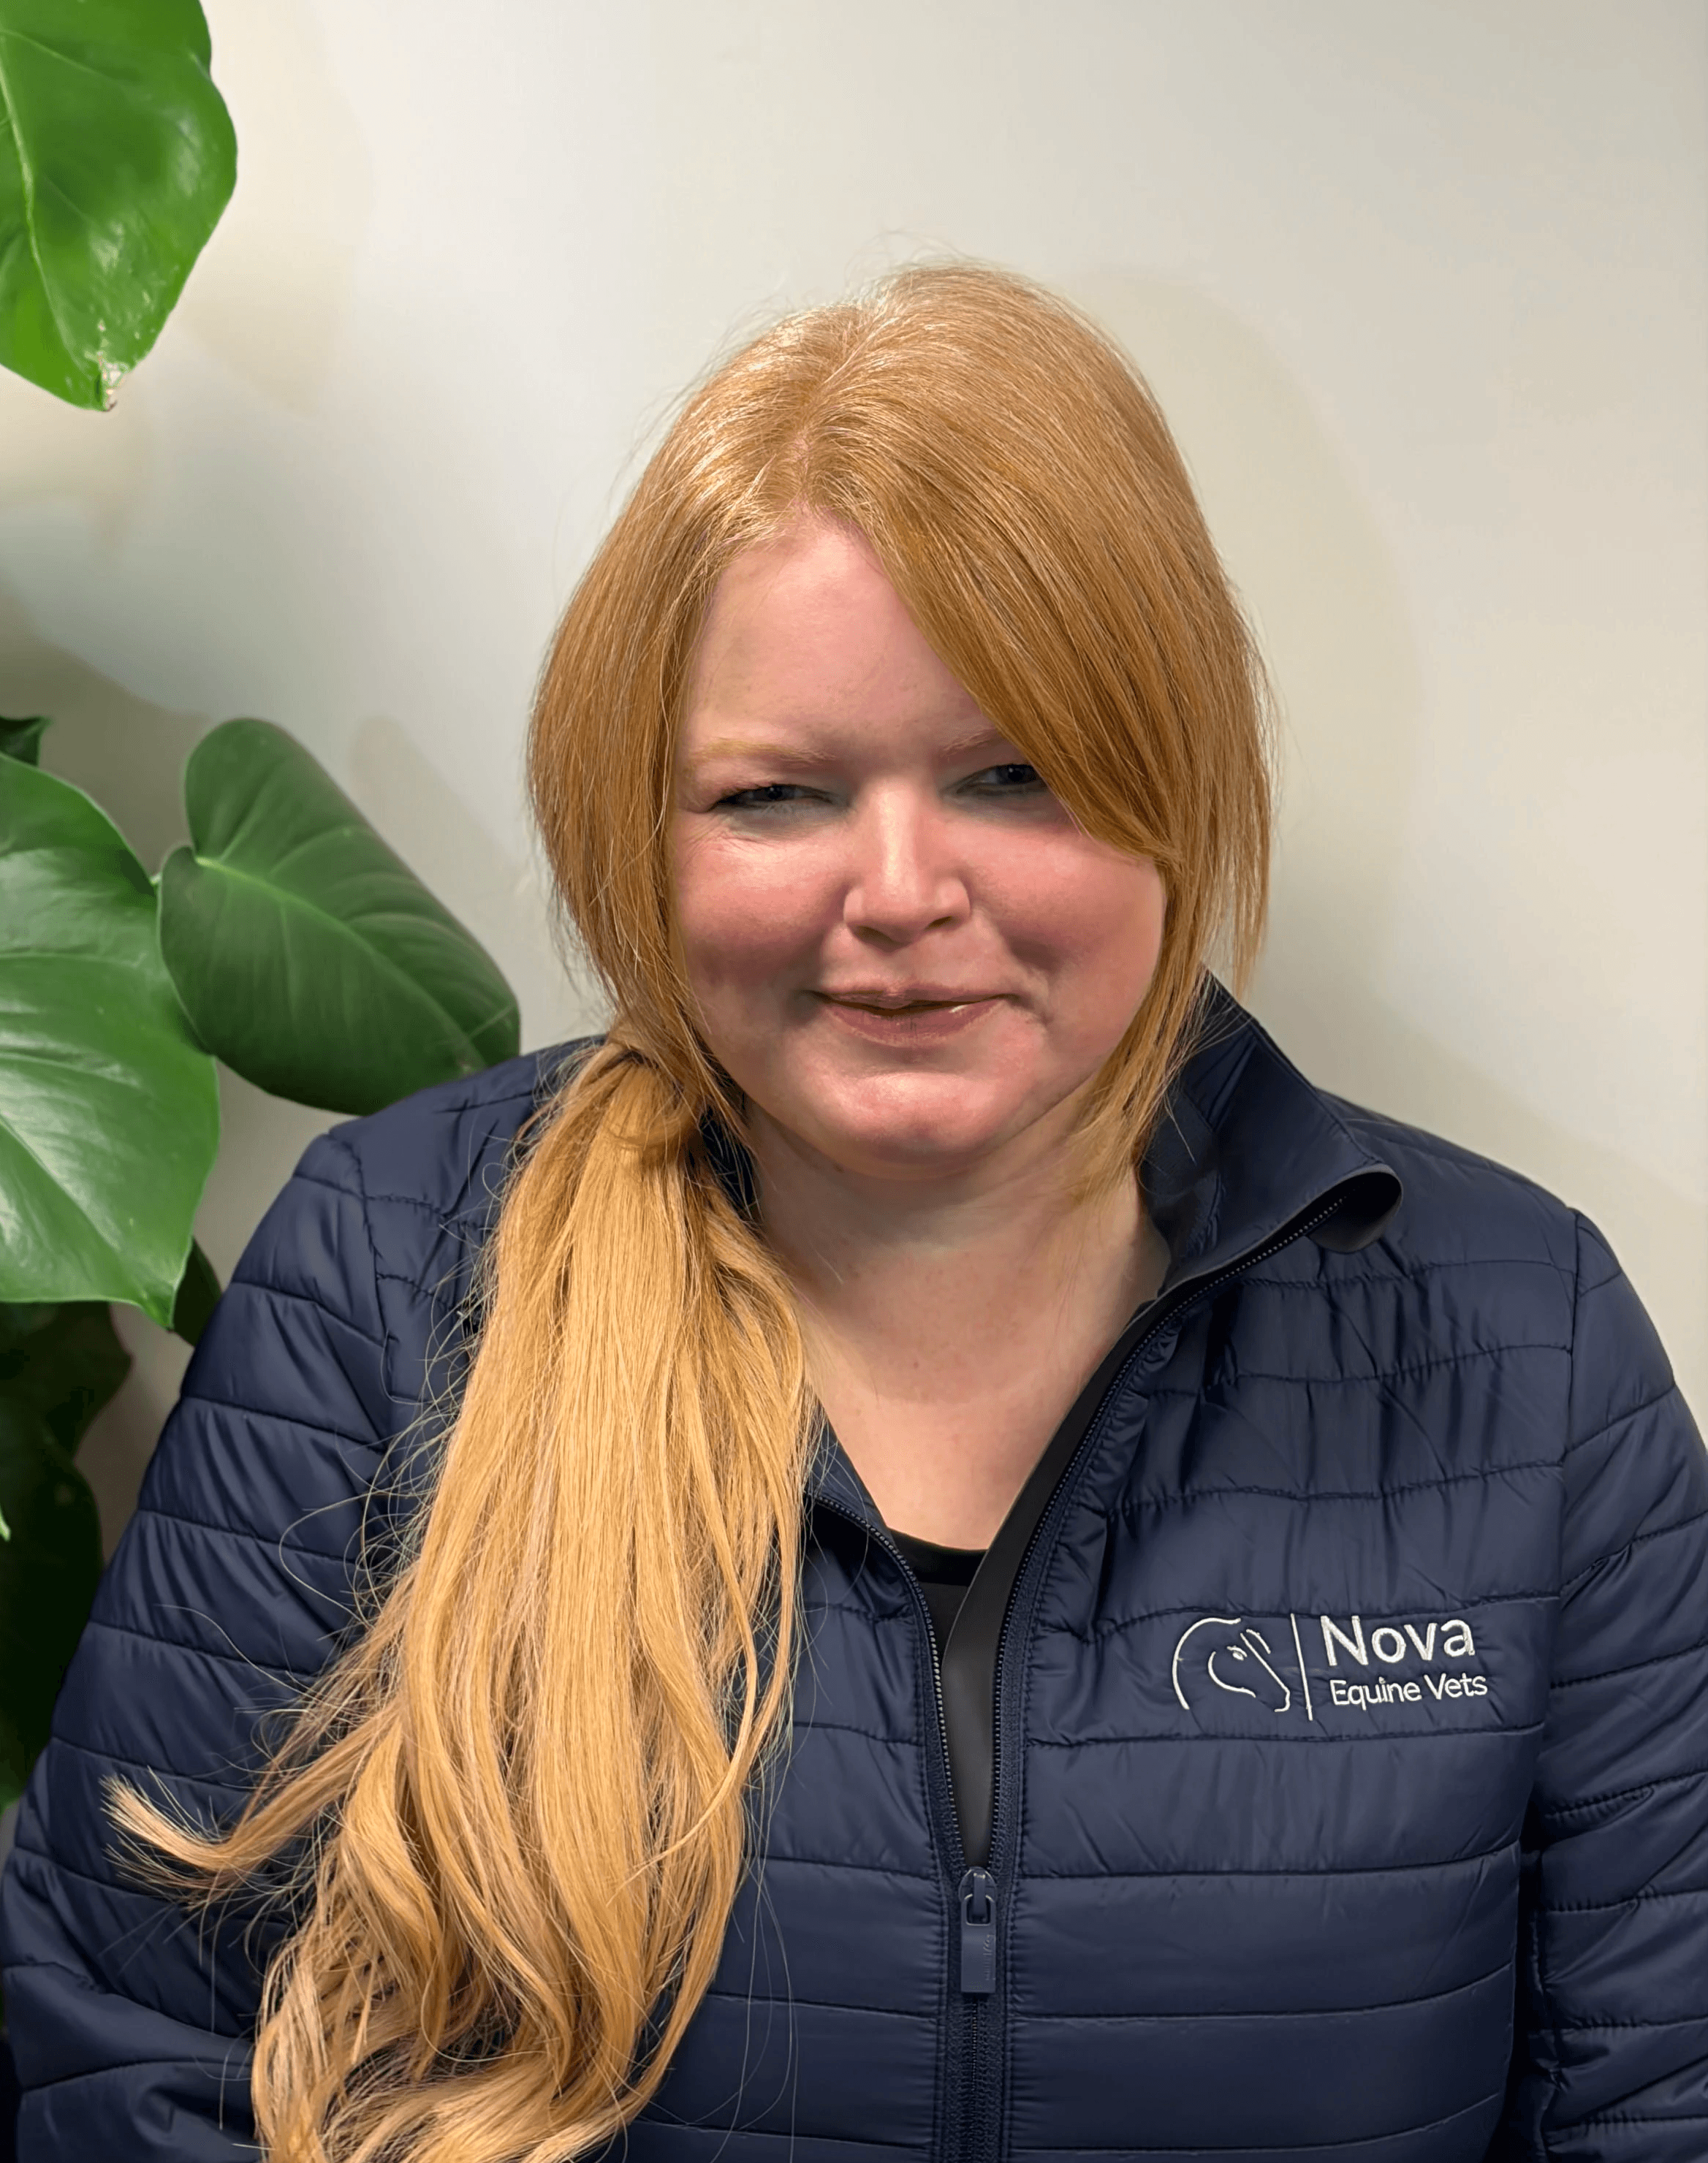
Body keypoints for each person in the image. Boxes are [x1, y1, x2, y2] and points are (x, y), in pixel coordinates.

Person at [2, 264, 1704, 2163]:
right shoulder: (386, 1279)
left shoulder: (1523, 1344)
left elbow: (1663, 2095)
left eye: (1015, 775)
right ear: (638, 821)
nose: (899, 889)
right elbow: (118, 2041)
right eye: (780, 794)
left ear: (1175, 784)